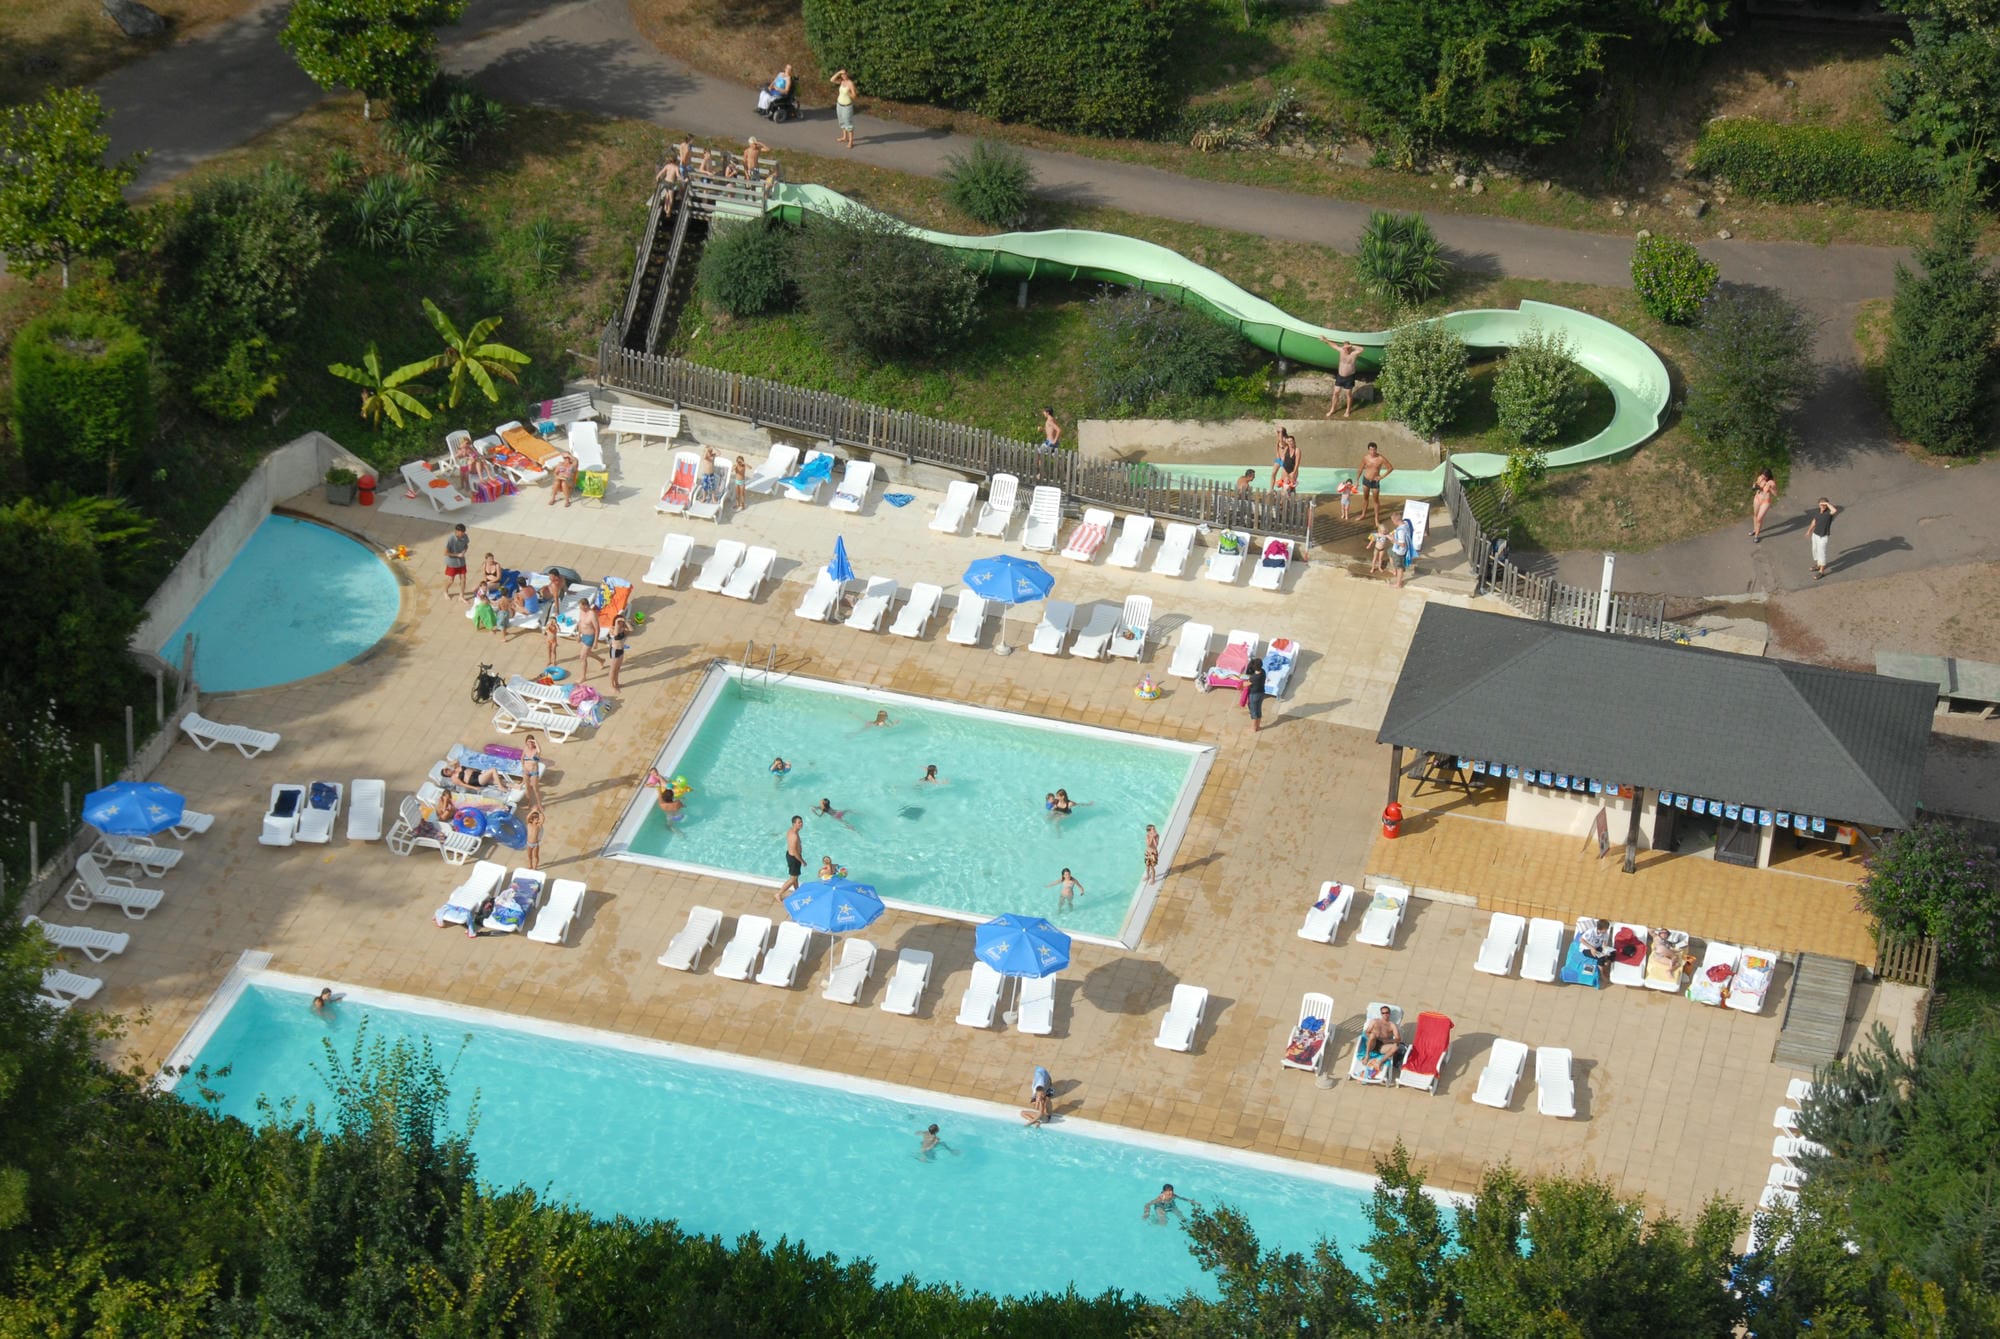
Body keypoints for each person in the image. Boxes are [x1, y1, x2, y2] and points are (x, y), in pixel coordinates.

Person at [1320, 336, 1365, 417]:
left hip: (1349, 377)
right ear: (1343, 347)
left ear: (1350, 348)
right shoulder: (1341, 351)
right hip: (1340, 376)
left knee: (1348, 394)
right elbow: (1333, 345)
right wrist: (1325, 340)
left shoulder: (1353, 354)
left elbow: (1362, 349)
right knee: (1336, 392)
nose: (1346, 349)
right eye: (1345, 348)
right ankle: (1332, 409)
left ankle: (1348, 410)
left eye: (1348, 348)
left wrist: (1352, 346)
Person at [1357, 442, 1394, 523]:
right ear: (1368, 450)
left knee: (1376, 500)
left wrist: (1381, 477)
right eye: (1370, 450)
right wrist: (1357, 481)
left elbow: (1390, 468)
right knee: (1365, 498)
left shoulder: (1381, 458)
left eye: (1374, 450)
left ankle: (1376, 519)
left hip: (1375, 482)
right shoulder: (1365, 458)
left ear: (1376, 449)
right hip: (1366, 480)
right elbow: (1360, 469)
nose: (1372, 452)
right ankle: (1363, 514)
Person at [1808, 497, 1839, 579]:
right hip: (1815, 535)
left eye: (1824, 504)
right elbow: (1814, 521)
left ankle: (1821, 572)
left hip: (1823, 536)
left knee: (1822, 553)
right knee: (1815, 550)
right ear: (1818, 504)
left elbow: (1835, 510)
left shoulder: (1829, 513)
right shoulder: (1817, 512)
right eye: (1821, 504)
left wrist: (1827, 504)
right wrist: (1809, 531)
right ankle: (1818, 565)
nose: (1822, 505)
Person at [575, 598, 601, 684]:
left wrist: (595, 641)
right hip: (583, 635)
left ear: (586, 606)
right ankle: (601, 660)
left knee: (582, 657)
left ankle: (583, 676)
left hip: (590, 636)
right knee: (588, 653)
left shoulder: (592, 615)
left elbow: (597, 629)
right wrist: (579, 635)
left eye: (581, 607)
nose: (580, 609)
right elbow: (580, 623)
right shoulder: (582, 612)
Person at [831, 68, 858, 150]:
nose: (843, 76)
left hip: (847, 106)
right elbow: (832, 80)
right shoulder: (841, 82)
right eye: (842, 75)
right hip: (839, 105)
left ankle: (851, 142)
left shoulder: (850, 83)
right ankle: (844, 137)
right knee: (841, 121)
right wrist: (839, 72)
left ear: (847, 74)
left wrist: (848, 93)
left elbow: (854, 96)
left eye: (845, 74)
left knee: (848, 123)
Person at [779, 815, 805, 897]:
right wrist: (802, 861)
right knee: (792, 879)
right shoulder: (794, 836)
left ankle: (797, 891)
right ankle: (779, 894)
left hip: (790, 856)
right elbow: (794, 851)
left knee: (795, 877)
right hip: (794, 858)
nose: (801, 824)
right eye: (799, 822)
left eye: (801, 822)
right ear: (794, 824)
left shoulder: (791, 830)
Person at [443, 523, 470, 600]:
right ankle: (445, 591)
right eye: (461, 533)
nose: (463, 534)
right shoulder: (451, 539)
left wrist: (464, 551)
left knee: (463, 579)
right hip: (452, 563)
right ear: (457, 531)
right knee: (451, 580)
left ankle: (461, 595)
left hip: (461, 562)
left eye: (464, 532)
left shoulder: (465, 536)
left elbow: (466, 545)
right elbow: (445, 553)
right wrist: (457, 555)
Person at [607, 612, 633, 691]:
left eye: (621, 622)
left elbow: (631, 629)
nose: (620, 623)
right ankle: (612, 685)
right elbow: (615, 634)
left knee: (617, 669)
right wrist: (616, 622)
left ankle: (617, 683)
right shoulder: (612, 628)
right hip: (615, 650)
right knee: (613, 669)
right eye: (619, 621)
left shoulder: (623, 629)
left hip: (621, 650)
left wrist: (626, 622)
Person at [1750, 469, 1778, 543]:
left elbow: (1776, 494)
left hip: (1765, 502)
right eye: (1762, 475)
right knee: (1755, 515)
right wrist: (1754, 486)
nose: (1763, 477)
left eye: (1765, 476)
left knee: (1759, 519)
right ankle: (1754, 529)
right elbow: (1756, 485)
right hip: (1757, 498)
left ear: (1768, 476)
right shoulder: (1760, 477)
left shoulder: (1771, 482)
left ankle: (1756, 536)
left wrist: (1770, 488)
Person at [1390, 513, 1415, 589]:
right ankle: (1395, 571)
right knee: (1389, 553)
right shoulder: (1405, 523)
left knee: (1400, 567)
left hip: (1399, 552)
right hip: (1396, 549)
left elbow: (1402, 544)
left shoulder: (1401, 531)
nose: (1392, 522)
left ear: (1396, 520)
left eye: (1392, 521)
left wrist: (1394, 540)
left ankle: (1398, 584)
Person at [1271, 427, 1300, 492]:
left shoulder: (1285, 439)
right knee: (1273, 474)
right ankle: (1271, 489)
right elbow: (1277, 446)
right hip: (1280, 459)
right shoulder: (1278, 440)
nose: (1278, 432)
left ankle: (1290, 494)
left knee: (1289, 483)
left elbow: (1287, 445)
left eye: (1279, 431)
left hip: (1286, 461)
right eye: (1278, 431)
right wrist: (1278, 455)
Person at [1244, 657, 1268, 732]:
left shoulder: (1254, 677)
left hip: (1254, 695)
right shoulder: (1263, 672)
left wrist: (1243, 681)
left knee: (1253, 711)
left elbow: (1245, 684)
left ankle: (1254, 728)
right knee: (1258, 709)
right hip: (1261, 693)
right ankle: (1258, 725)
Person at [520, 734, 543, 807]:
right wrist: (523, 767)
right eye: (528, 742)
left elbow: (540, 751)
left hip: (534, 772)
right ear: (526, 742)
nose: (530, 744)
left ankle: (540, 805)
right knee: (527, 788)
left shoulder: (536, 750)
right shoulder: (525, 748)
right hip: (526, 771)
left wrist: (535, 741)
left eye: (531, 742)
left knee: (535, 789)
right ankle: (529, 803)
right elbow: (522, 758)